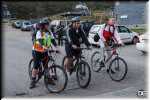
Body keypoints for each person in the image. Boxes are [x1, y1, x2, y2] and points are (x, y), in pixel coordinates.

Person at [30, 21, 58, 89]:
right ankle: (33, 80)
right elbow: (40, 42)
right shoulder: (39, 32)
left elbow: (53, 41)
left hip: (45, 51)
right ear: (43, 26)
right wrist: (45, 47)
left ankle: (48, 79)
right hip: (37, 51)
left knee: (46, 66)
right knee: (36, 66)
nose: (49, 26)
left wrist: (57, 48)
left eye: (48, 25)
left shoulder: (49, 32)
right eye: (47, 25)